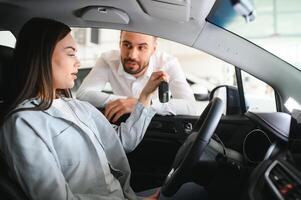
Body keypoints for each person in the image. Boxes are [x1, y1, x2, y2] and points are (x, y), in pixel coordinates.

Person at [0, 17, 166, 200]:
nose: (77, 62)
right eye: (71, 54)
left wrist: (145, 96)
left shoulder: (79, 107)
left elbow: (121, 142)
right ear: (43, 56)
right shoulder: (24, 123)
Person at [76, 31, 198, 123]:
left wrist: (142, 104)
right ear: (119, 44)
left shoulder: (168, 63)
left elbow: (190, 107)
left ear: (153, 50)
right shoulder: (107, 60)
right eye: (127, 45)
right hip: (120, 124)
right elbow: (83, 94)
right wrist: (126, 102)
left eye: (142, 47)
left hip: (156, 125)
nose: (132, 55)